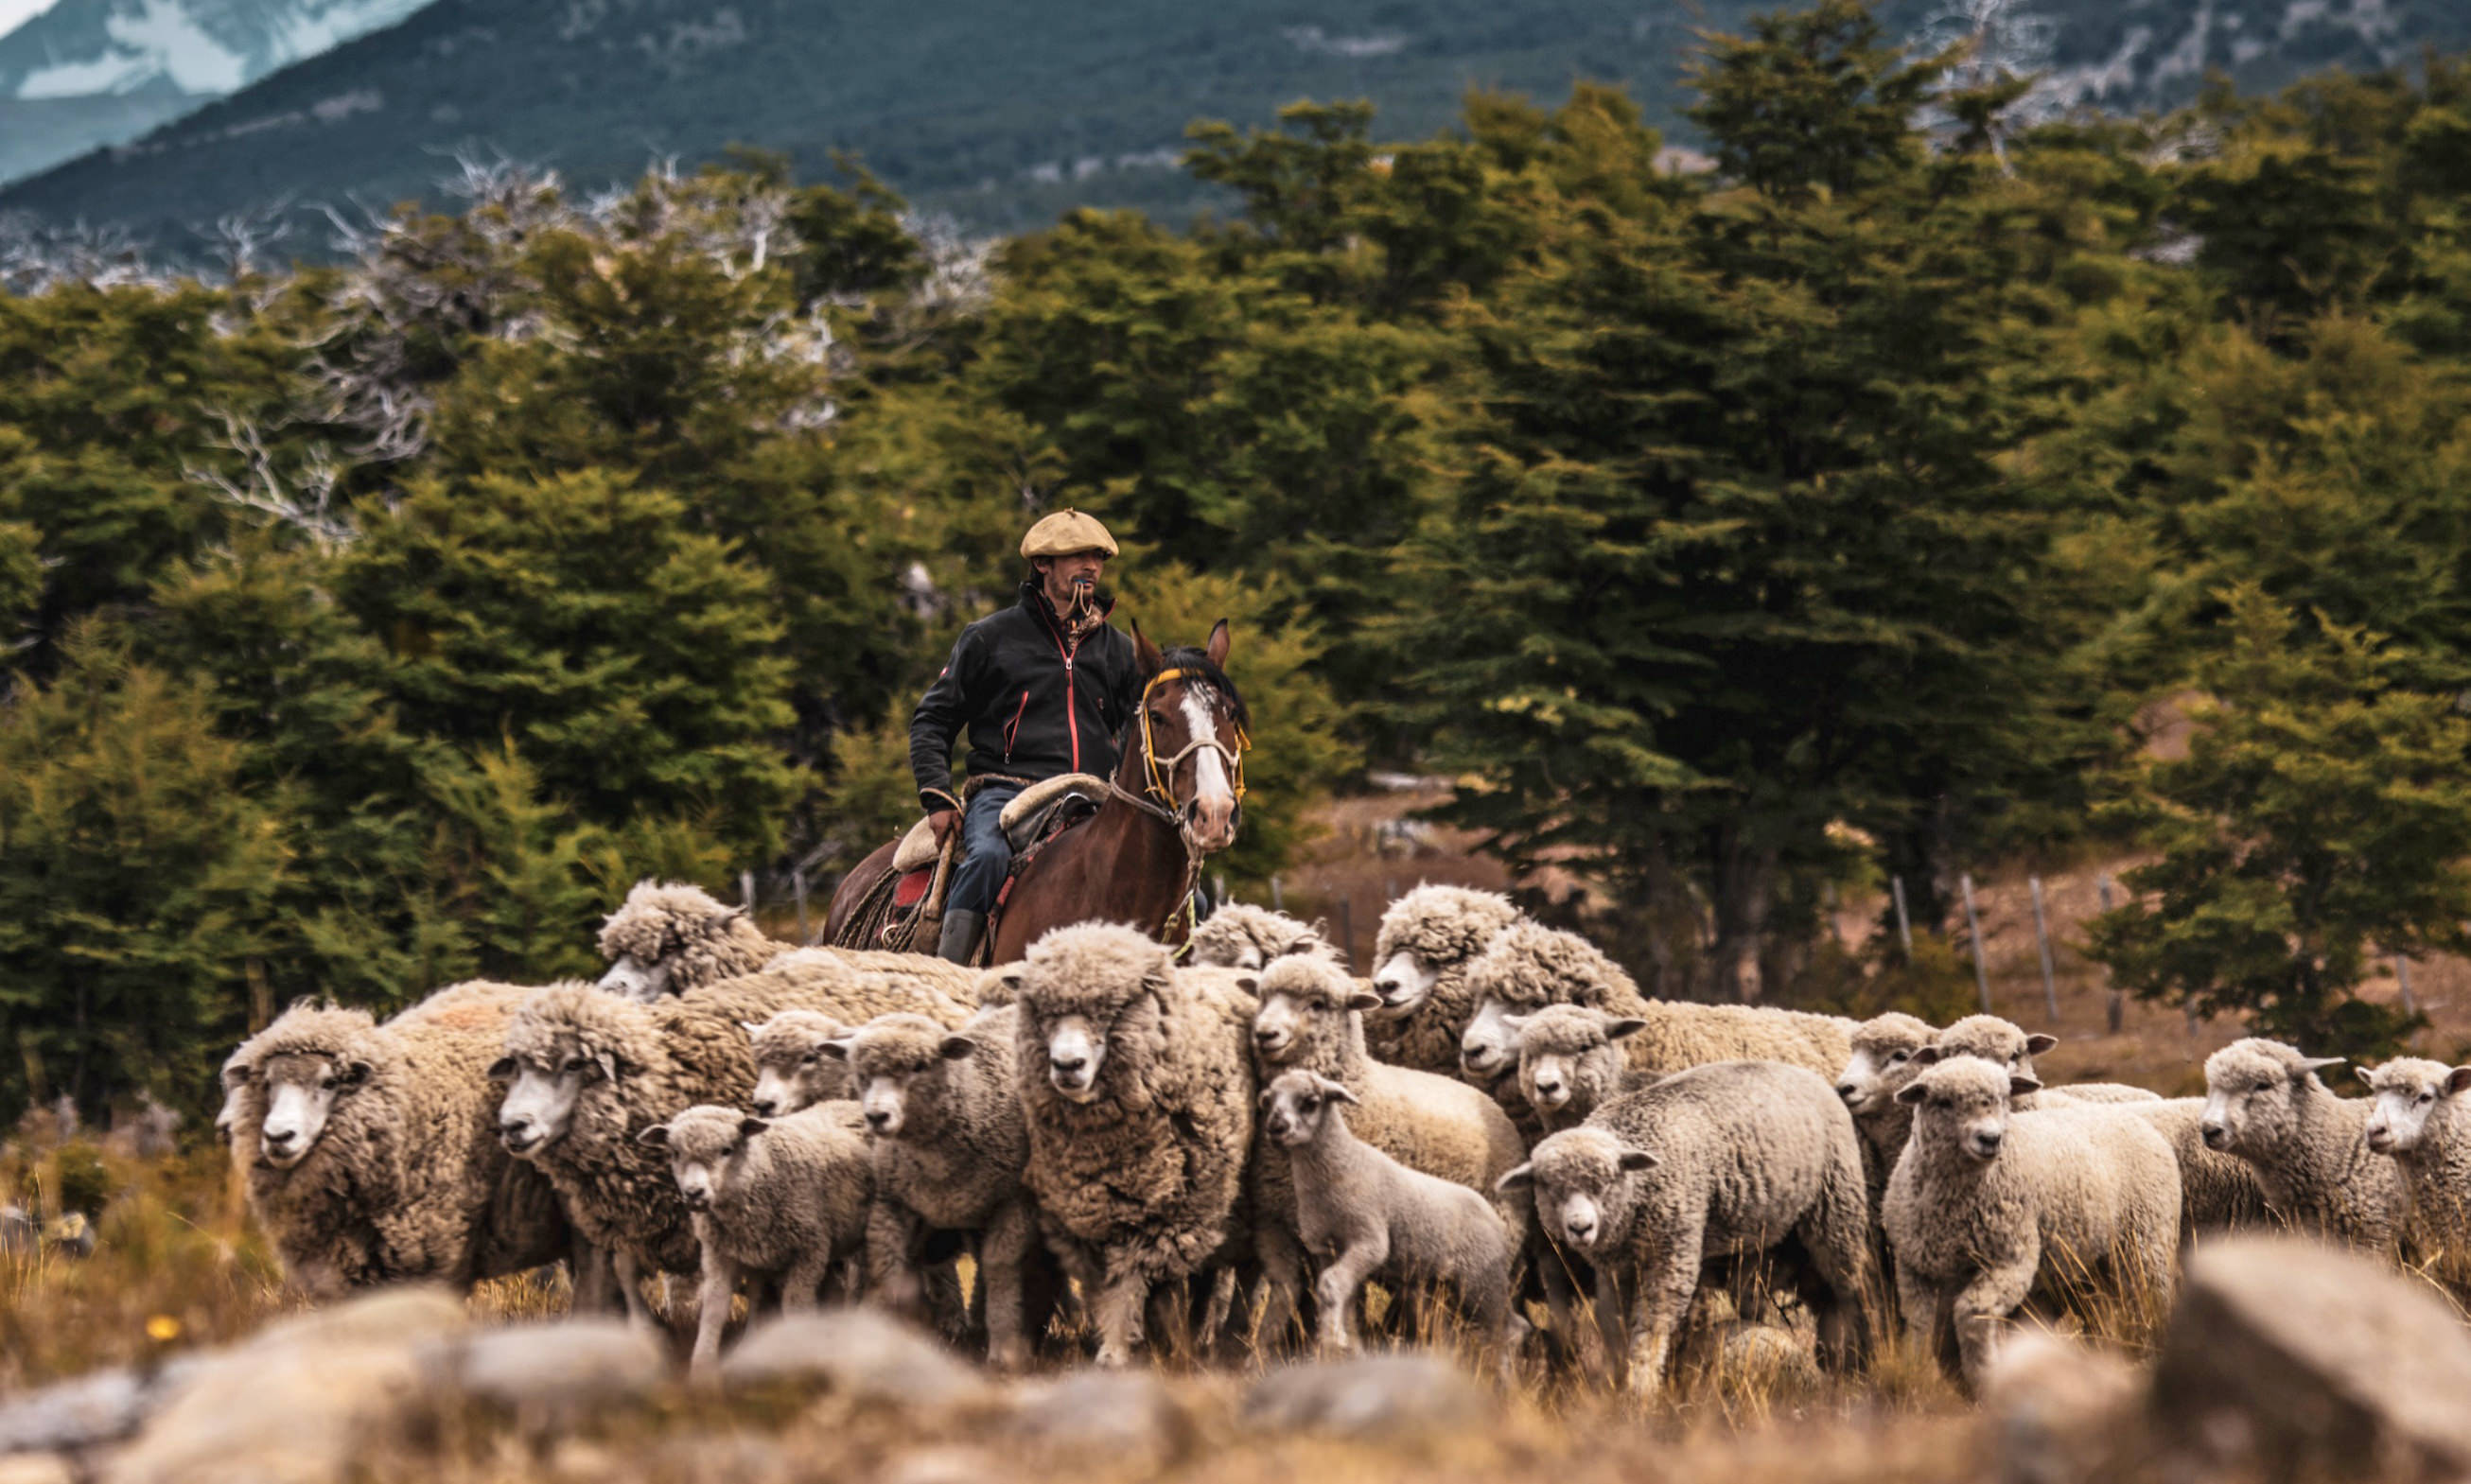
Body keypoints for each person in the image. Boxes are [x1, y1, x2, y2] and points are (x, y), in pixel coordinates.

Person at [908, 510, 1144, 964]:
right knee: (986, 859)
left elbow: (1140, 735)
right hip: (1006, 793)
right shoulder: (989, 638)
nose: (1091, 565)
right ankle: (949, 977)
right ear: (1042, 564)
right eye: (1076, 555)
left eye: (1098, 556)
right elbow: (933, 719)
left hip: (1095, 795)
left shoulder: (1121, 651)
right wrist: (937, 797)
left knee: (1175, 881)